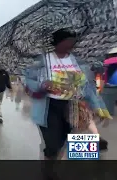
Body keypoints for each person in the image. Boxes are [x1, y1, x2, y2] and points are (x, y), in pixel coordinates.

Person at [24, 28, 111, 161]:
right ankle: (50, 162)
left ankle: (53, 160)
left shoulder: (77, 61)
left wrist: (98, 106)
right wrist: (42, 84)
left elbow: (87, 85)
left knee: (63, 140)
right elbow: (29, 79)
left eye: (72, 42)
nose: (71, 45)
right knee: (52, 143)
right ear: (58, 42)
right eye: (67, 42)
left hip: (71, 105)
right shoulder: (43, 60)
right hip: (49, 106)